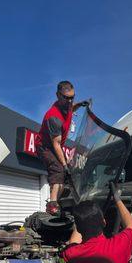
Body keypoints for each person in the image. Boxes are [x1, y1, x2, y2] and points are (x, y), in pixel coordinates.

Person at [36, 81, 88, 215]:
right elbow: (56, 144)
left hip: (56, 145)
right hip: (45, 147)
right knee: (59, 168)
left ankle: (57, 200)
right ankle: (52, 205)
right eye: (67, 98)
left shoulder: (68, 105)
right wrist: (64, 164)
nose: (70, 101)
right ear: (58, 95)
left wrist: (80, 104)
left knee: (67, 171)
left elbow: (73, 108)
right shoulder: (53, 117)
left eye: (73, 97)